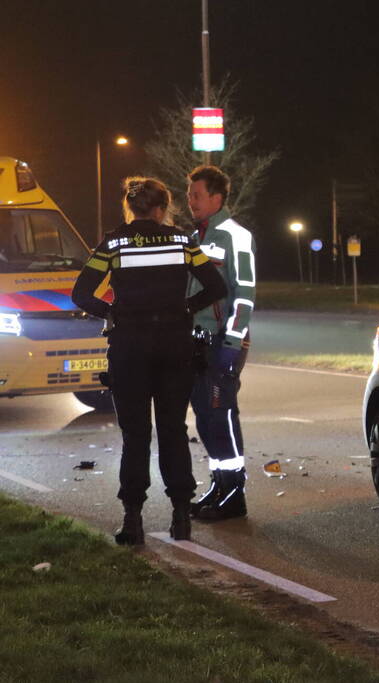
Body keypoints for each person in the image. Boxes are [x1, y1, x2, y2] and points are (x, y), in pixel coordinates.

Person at [72, 177, 226, 545]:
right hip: (175, 346)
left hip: (130, 348)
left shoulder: (114, 243)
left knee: (135, 434)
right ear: (161, 209)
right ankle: (180, 519)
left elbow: (81, 293)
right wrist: (183, 309)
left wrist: (113, 312)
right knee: (173, 430)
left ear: (131, 207)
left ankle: (133, 521)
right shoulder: (183, 241)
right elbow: (216, 287)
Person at [186, 165, 256, 521]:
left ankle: (235, 493)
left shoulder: (235, 236)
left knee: (222, 415)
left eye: (196, 195)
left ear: (217, 197)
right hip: (196, 343)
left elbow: (244, 295)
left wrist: (231, 342)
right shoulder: (194, 236)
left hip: (222, 341)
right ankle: (219, 483)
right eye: (189, 195)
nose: (190, 201)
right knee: (205, 418)